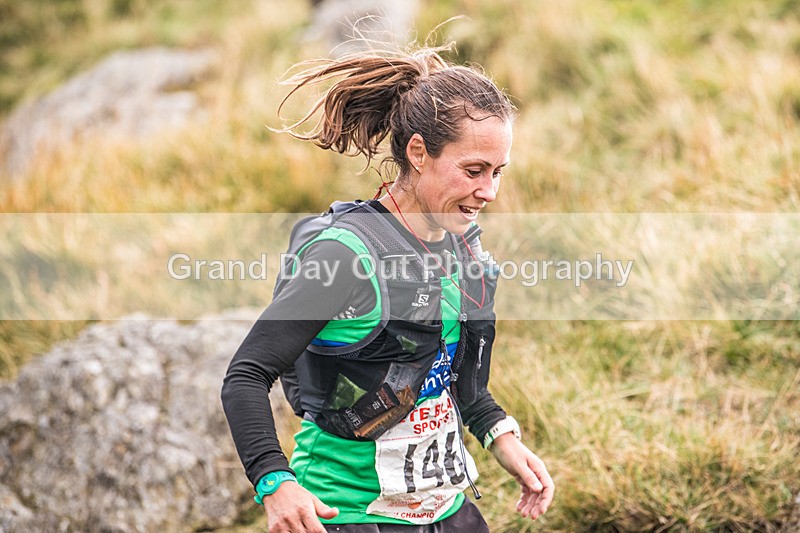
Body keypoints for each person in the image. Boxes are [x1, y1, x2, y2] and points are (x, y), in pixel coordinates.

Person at [221, 45, 554, 532]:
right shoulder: (345, 256)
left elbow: (443, 371)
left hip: (447, 510)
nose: (490, 192)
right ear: (418, 153)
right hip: (345, 513)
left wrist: (499, 434)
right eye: (474, 171)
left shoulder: (462, 249)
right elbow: (246, 375)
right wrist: (275, 480)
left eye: (498, 171)